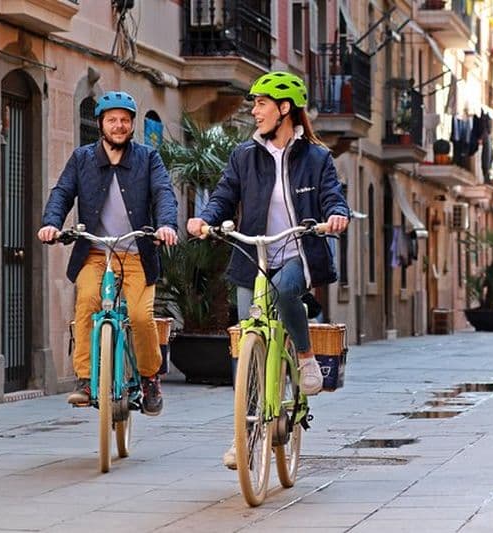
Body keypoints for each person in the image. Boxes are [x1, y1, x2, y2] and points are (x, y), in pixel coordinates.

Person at [186, 71, 350, 467]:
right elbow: (224, 195)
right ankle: (243, 433)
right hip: (254, 254)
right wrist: (204, 219)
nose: (255, 111)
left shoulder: (317, 157)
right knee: (246, 343)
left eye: (261, 103)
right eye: (255, 104)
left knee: (284, 290)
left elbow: (332, 195)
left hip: (299, 251)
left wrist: (336, 214)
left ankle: (306, 357)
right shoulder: (245, 155)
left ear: (284, 108)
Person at [38, 90, 179, 416]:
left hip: (136, 253)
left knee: (141, 317)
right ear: (101, 124)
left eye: (125, 120)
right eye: (112, 120)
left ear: (132, 125)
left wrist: (166, 225)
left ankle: (149, 378)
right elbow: (62, 192)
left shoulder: (148, 158)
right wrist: (51, 223)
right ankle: (86, 380)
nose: (119, 126)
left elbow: (163, 192)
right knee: (87, 303)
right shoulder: (82, 158)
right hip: (94, 253)